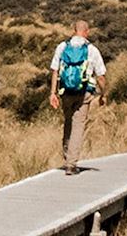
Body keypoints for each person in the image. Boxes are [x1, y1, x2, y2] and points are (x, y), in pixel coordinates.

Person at [48, 20, 107, 175]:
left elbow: (55, 71)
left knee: (68, 123)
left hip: (65, 92)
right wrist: (103, 94)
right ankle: (71, 164)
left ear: (73, 30)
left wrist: (52, 93)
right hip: (84, 94)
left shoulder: (62, 47)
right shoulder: (92, 50)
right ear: (87, 32)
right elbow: (101, 76)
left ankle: (67, 157)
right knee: (78, 126)